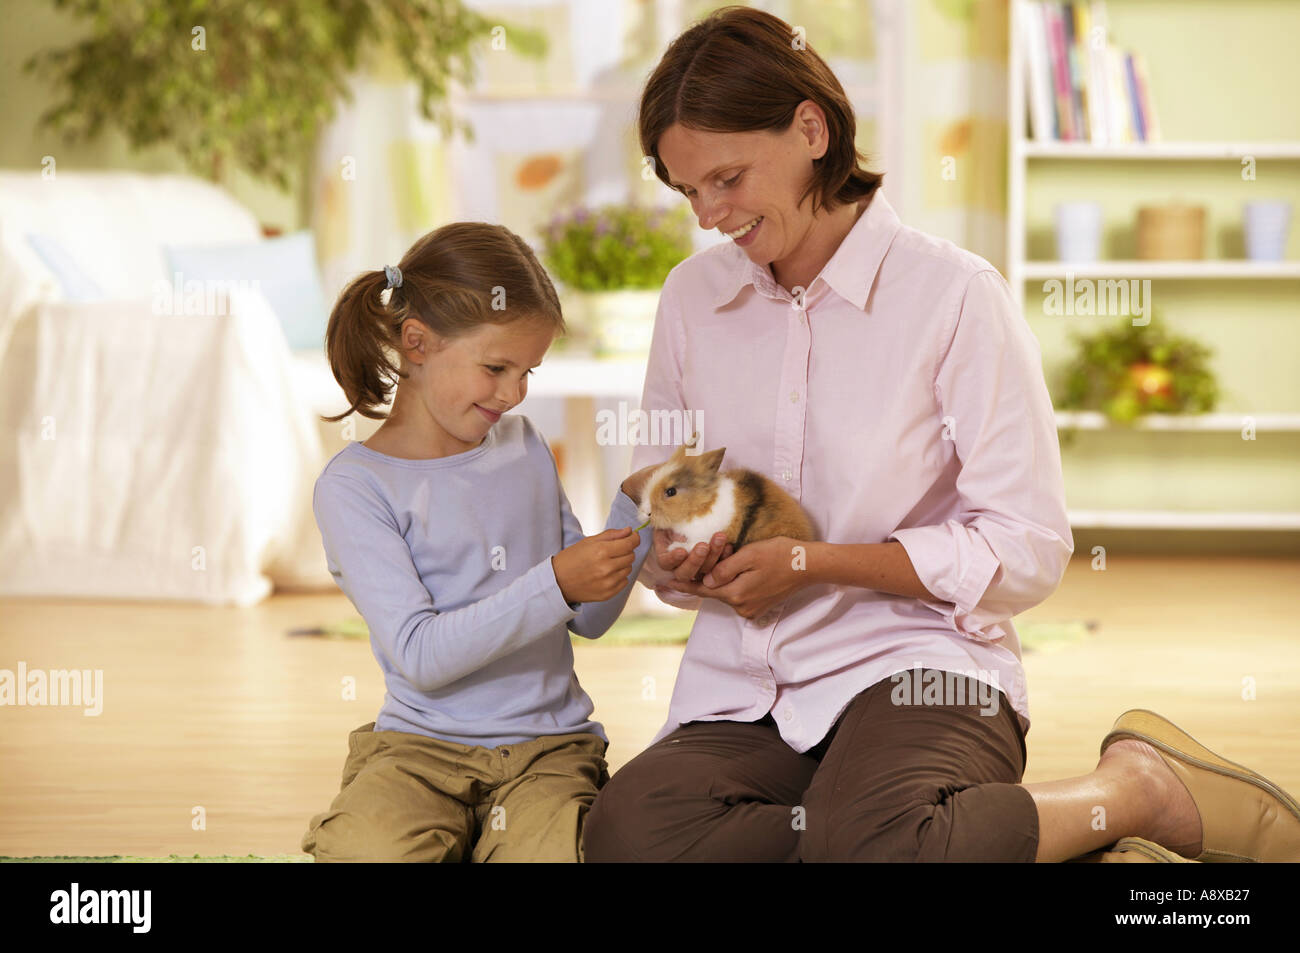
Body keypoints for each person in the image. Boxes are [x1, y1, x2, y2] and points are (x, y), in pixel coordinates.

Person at [582, 5, 1300, 863]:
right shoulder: (690, 301)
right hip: (750, 685)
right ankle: (955, 842)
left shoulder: (956, 297)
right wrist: (675, 564)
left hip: (919, 667)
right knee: (628, 836)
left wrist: (814, 562)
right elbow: (658, 495)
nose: (707, 214)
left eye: (727, 178)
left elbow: (1027, 546)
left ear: (811, 129)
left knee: (868, 841)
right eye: (687, 189)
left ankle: (1131, 790)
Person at [300, 222, 662, 862]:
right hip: (416, 752)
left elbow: (591, 619)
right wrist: (556, 581)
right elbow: (420, 653)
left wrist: (634, 508)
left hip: (547, 752)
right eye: (496, 367)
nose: (515, 392)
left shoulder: (524, 449)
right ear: (417, 343)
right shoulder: (356, 486)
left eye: (527, 371)